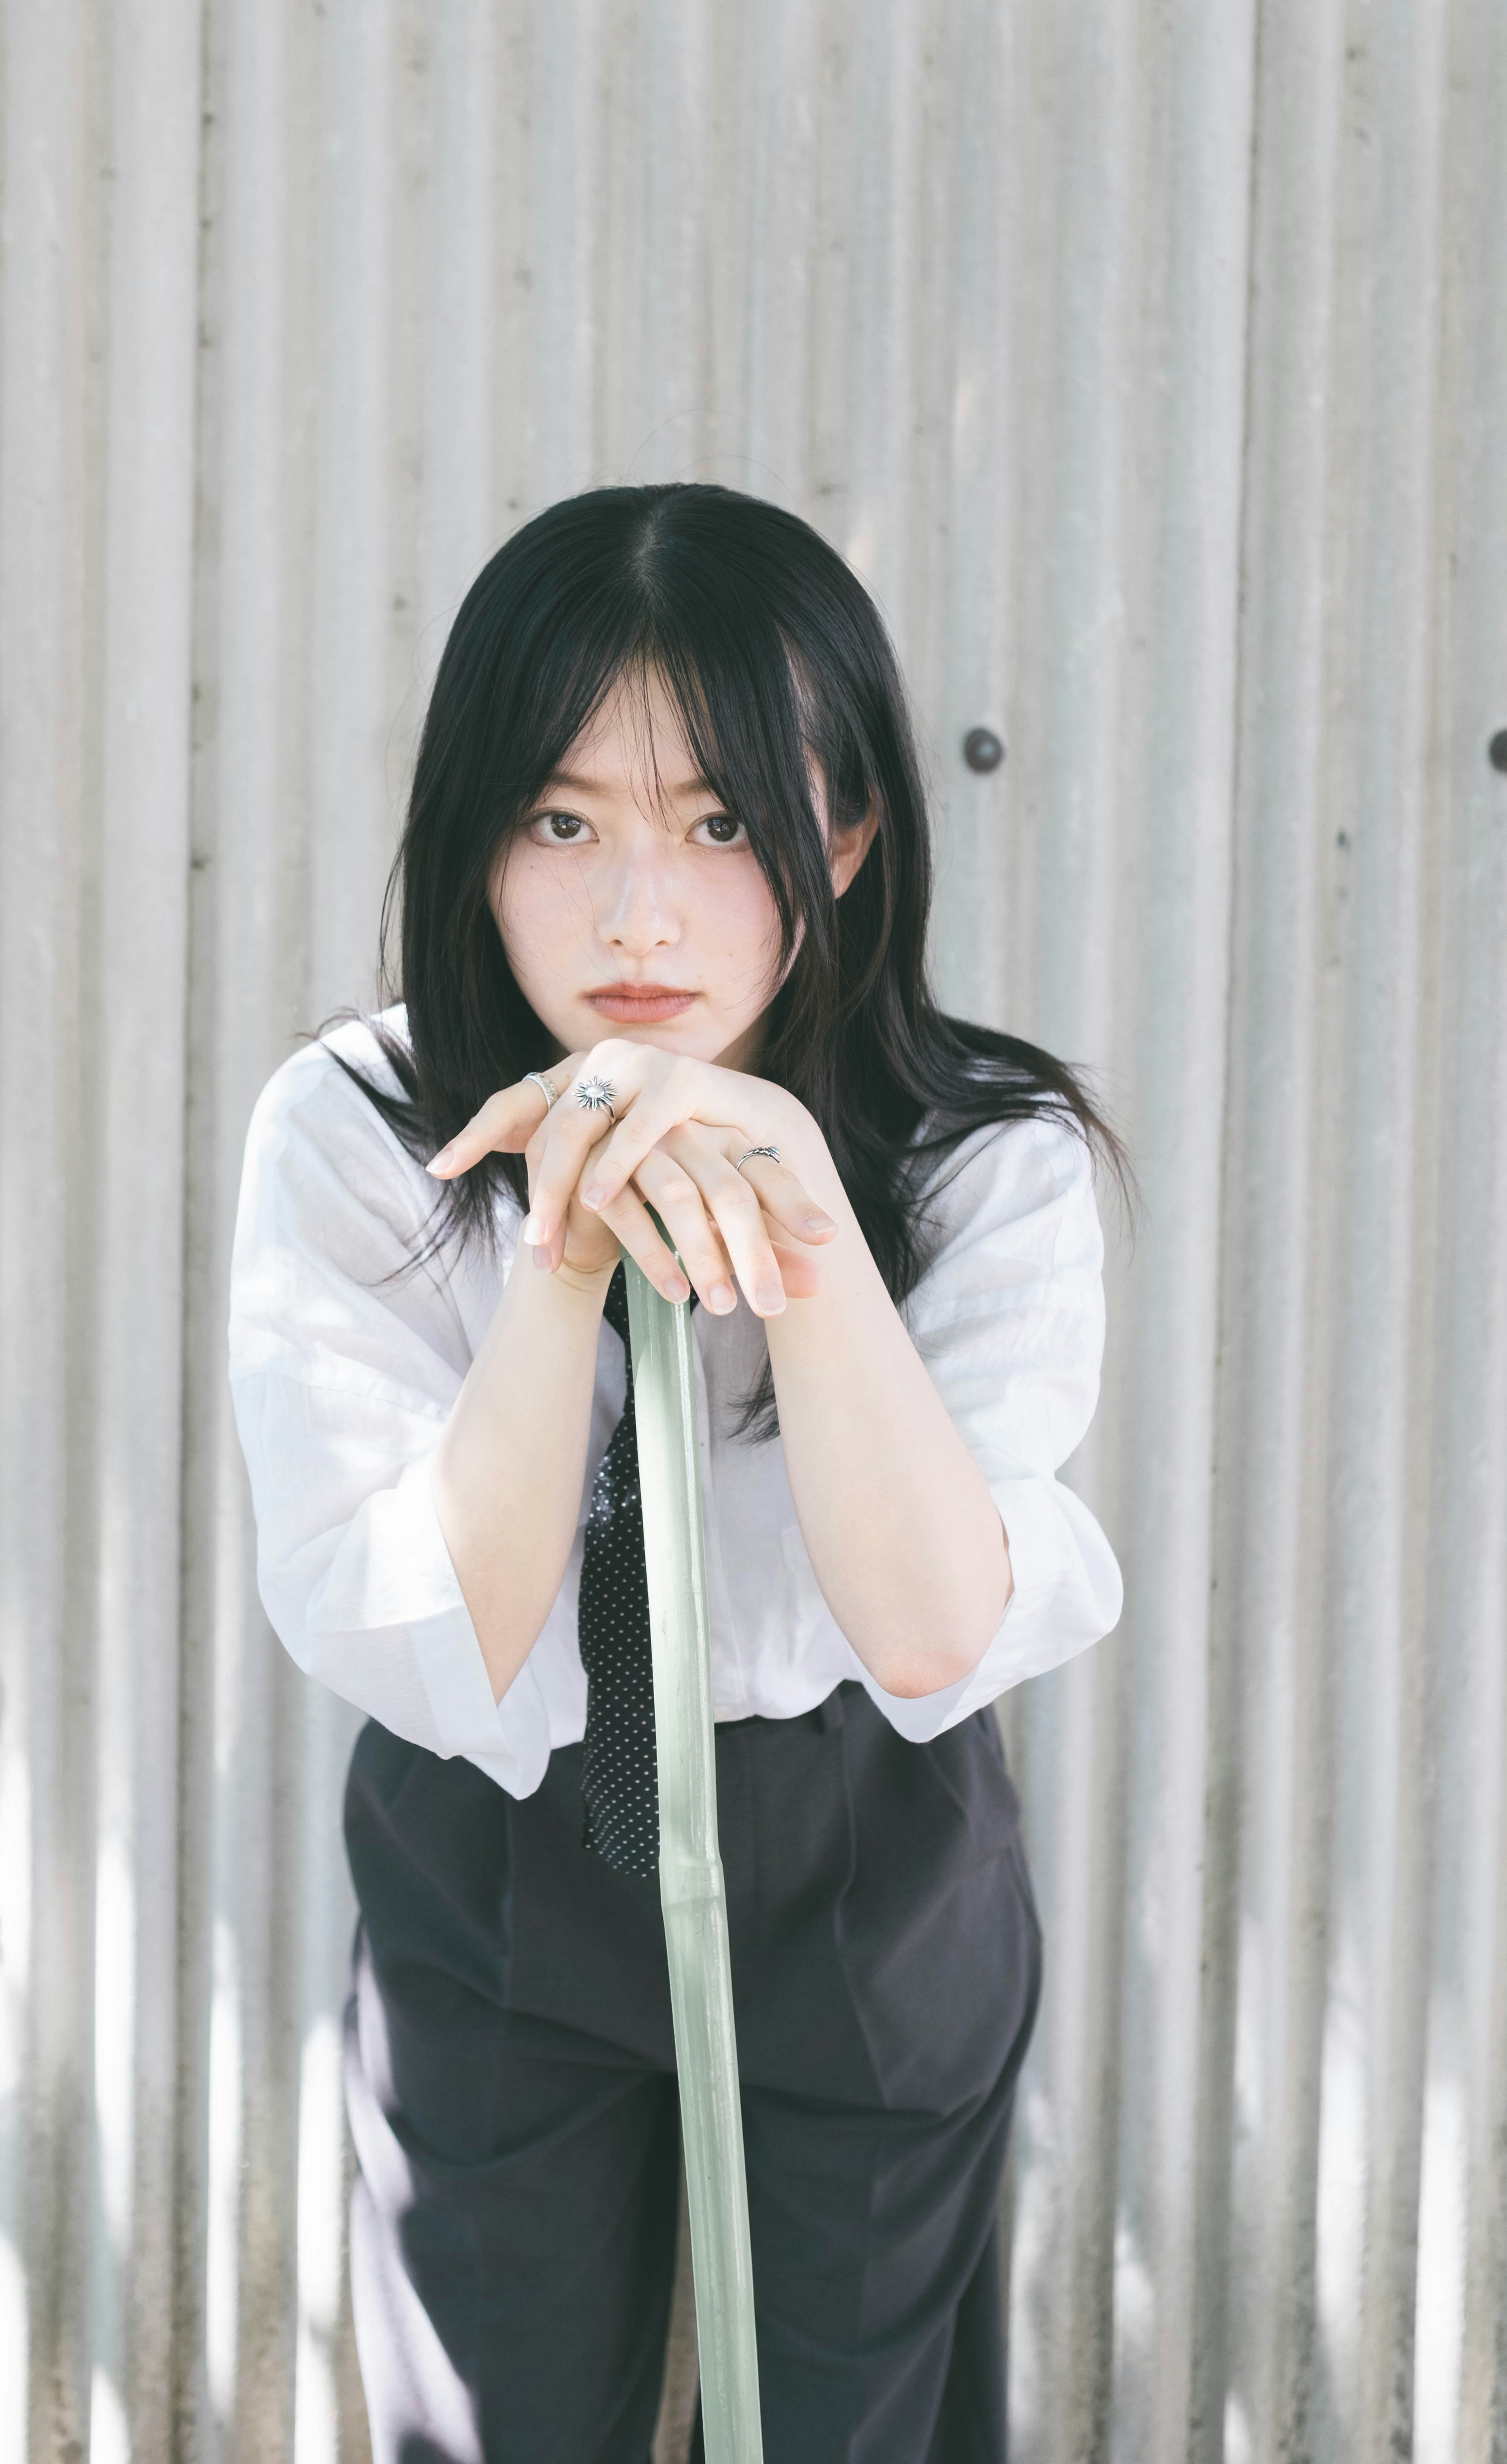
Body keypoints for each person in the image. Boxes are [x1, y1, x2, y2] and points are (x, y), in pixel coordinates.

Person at [227, 483, 1127, 2463]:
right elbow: (443, 1649)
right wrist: (557, 1260)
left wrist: (803, 1233)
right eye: (564, 821)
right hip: (503, 1861)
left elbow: (928, 1631)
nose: (641, 912)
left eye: (724, 824)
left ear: (853, 832)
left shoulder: (984, 1156)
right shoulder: (361, 1136)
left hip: (862, 1871)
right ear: (472, 837)